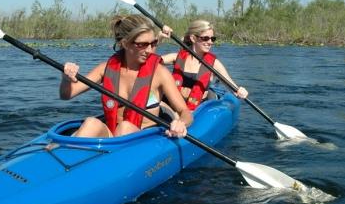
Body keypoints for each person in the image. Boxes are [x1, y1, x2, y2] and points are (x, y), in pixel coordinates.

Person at [60, 15, 193, 138]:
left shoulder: (160, 73)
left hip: (144, 139)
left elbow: (185, 112)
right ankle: (66, 158)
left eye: (153, 43)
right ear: (124, 43)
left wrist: (181, 123)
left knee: (125, 128)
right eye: (142, 45)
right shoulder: (105, 69)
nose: (149, 50)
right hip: (113, 138)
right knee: (91, 123)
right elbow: (66, 95)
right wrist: (66, 79)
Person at [160, 20, 248, 110]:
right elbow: (149, 61)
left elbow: (231, 85)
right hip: (173, 105)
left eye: (212, 39)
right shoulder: (176, 57)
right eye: (205, 38)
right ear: (193, 38)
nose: (210, 42)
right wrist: (160, 38)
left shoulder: (214, 63)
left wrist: (239, 90)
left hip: (196, 109)